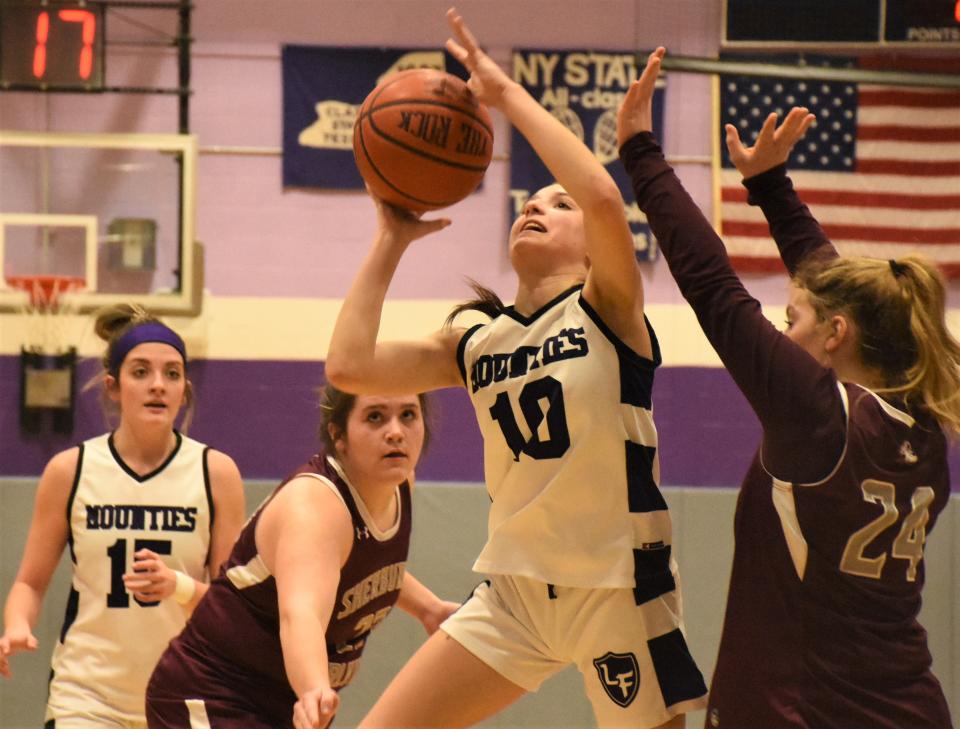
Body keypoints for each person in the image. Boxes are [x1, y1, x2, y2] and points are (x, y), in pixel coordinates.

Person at [303, 9, 708, 729]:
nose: (537, 205)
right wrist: (391, 239)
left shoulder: (608, 309)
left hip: (615, 587)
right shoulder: (475, 336)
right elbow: (350, 364)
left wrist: (505, 94)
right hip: (513, 593)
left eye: (557, 204)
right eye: (530, 199)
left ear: (592, 247)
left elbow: (604, 196)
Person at [617, 48, 957, 729]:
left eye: (792, 320)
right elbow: (841, 295)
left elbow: (712, 284)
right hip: (912, 707)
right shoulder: (920, 423)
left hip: (799, 710)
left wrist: (640, 153)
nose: (781, 326)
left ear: (834, 337)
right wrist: (771, 187)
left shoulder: (820, 416)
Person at [146, 385, 458, 729]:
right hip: (213, 693)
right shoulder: (315, 506)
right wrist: (313, 689)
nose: (396, 432)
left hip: (280, 705)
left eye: (408, 415)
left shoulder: (396, 484)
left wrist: (429, 608)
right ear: (338, 434)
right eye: (375, 417)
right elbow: (301, 614)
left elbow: (363, 569)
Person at [0, 303, 246, 728]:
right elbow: (30, 581)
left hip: (184, 691)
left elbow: (231, 606)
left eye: (172, 374)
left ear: (184, 387)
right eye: (141, 372)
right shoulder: (71, 470)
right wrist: (16, 625)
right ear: (113, 386)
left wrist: (179, 585)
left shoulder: (216, 473)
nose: (158, 385)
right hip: (87, 695)